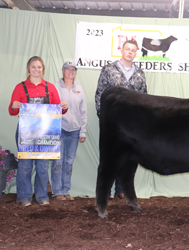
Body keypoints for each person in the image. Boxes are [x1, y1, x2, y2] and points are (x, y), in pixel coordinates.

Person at [9, 56, 68, 207]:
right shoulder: (19, 87)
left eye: (39, 67)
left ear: (43, 69)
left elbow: (57, 111)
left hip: (45, 133)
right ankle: (24, 197)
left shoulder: (50, 88)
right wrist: (14, 105)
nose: (36, 70)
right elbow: (12, 110)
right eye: (33, 67)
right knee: (25, 165)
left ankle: (42, 196)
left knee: (42, 166)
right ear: (28, 69)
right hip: (25, 133)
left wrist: (63, 108)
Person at [95, 40, 147, 199]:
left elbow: (144, 98)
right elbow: (100, 95)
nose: (130, 52)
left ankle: (122, 190)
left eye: (133, 50)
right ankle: (105, 190)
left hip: (132, 124)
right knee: (109, 156)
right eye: (127, 49)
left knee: (129, 156)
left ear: (136, 53)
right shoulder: (109, 70)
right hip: (112, 123)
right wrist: (103, 117)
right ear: (122, 50)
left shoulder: (140, 73)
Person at [51, 61, 87, 201]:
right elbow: (49, 107)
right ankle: (57, 191)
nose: (71, 71)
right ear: (63, 71)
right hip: (59, 128)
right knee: (57, 161)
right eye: (68, 69)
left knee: (69, 162)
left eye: (73, 69)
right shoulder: (55, 87)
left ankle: (66, 190)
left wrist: (82, 131)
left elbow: (83, 111)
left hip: (74, 130)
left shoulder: (79, 89)